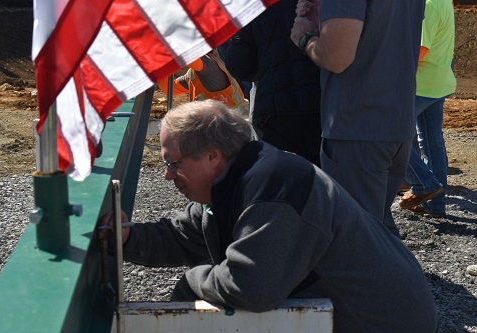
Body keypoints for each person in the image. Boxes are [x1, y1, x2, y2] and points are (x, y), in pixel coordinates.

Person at [99, 99, 438, 332]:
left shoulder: (272, 190)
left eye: (173, 164)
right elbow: (183, 235)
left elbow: (250, 287)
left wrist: (191, 282)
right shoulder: (241, 177)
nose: (167, 176)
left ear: (212, 157)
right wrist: (126, 237)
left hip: (383, 323)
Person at [290, 0, 425, 236]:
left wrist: (305, 38)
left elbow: (336, 57)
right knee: (378, 231)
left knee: (357, 237)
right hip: (396, 121)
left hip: (356, 124)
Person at [222, 0, 322, 166]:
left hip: (277, 111)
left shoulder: (254, 5)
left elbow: (240, 65)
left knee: (285, 181)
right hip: (327, 108)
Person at [399, 0, 457, 218]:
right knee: (432, 143)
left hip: (420, 85)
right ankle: (435, 205)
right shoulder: (441, 1)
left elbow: (418, 52)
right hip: (437, 83)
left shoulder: (428, 5)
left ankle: (424, 185)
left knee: (389, 137)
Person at [156, 49, 249, 115]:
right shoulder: (195, 73)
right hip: (221, 125)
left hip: (232, 126)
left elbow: (185, 54)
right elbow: (169, 89)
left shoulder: (209, 65)